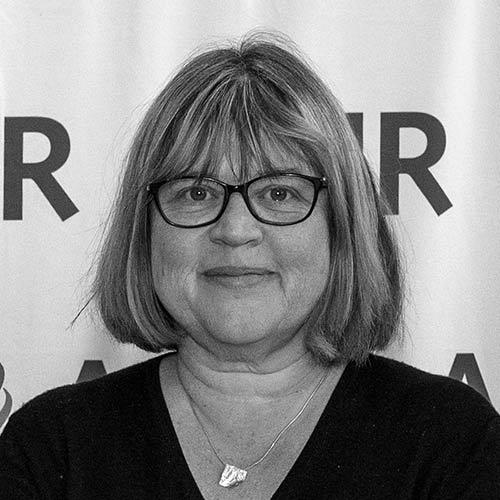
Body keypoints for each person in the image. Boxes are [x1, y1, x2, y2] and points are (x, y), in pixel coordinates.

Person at [1, 32, 499, 500]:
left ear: (343, 226)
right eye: (196, 193)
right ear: (144, 231)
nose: (236, 230)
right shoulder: (49, 448)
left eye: (278, 193)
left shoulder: (452, 443)